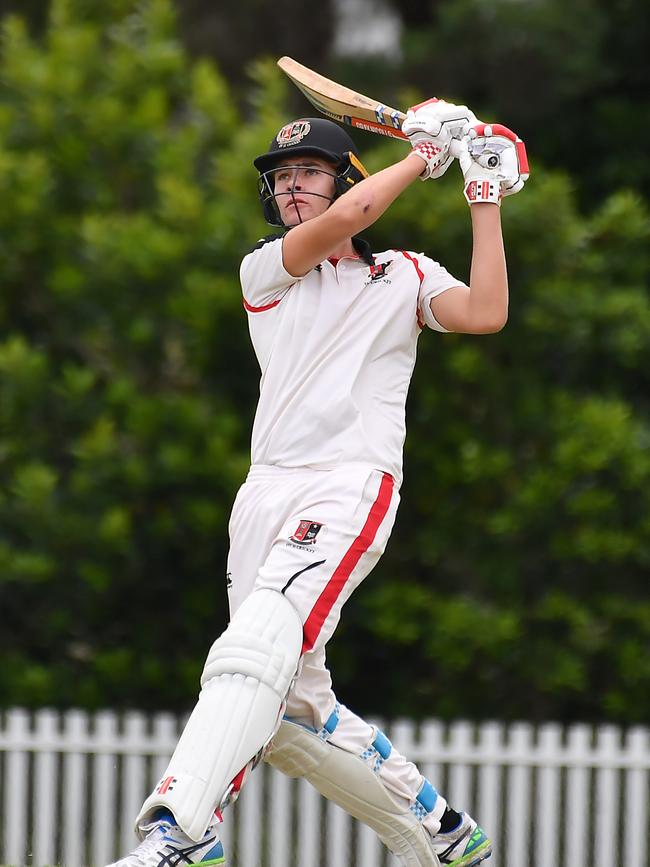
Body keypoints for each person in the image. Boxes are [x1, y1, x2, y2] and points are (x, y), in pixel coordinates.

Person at [108, 99, 528, 867]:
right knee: (290, 710)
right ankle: (438, 831)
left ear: (345, 178)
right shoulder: (270, 269)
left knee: (252, 650)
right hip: (263, 492)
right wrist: (424, 156)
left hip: (347, 484)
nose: (293, 187)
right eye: (282, 176)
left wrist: (482, 194)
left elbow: (486, 311)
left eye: (310, 173)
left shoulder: (402, 276)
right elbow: (355, 214)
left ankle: (180, 829)